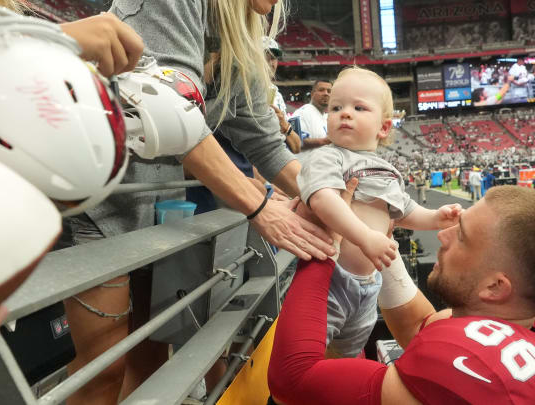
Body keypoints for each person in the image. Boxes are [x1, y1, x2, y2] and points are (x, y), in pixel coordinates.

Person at [59, 1, 337, 404]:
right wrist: (259, 206)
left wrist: (332, 206)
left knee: (151, 357)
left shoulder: (238, 28)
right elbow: (168, 110)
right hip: (104, 194)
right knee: (102, 371)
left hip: (160, 204)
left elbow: (265, 142)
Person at [269, 185, 535, 405]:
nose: (443, 235)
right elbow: (424, 327)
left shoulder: (479, 371)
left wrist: (323, 243)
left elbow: (293, 381)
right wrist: (380, 248)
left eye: (462, 237)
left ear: (495, 287)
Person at [297, 67, 462, 358]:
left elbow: (403, 210)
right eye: (336, 108)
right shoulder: (326, 156)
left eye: (358, 107)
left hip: (368, 285)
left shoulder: (388, 169)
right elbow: (323, 200)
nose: (344, 113)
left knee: (347, 353)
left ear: (383, 128)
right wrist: (365, 237)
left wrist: (435, 217)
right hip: (332, 278)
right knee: (310, 353)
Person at [264, 37, 301, 154]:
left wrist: (284, 126)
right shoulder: (243, 90)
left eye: (273, 58)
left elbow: (297, 147)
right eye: (266, 57)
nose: (270, 63)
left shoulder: (277, 94)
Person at [292, 79, 332, 162]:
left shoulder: (326, 117)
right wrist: (324, 141)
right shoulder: (302, 112)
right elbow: (295, 143)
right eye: (321, 90)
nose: (326, 93)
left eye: (329, 91)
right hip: (303, 170)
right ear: (312, 94)